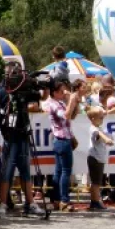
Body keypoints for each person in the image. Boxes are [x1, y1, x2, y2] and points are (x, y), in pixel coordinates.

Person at [0, 72, 44, 216]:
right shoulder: (2, 93)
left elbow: (38, 99)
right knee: (7, 171)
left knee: (25, 171)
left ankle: (31, 203)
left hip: (23, 134)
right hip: (9, 137)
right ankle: (2, 203)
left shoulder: (26, 92)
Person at [48, 79, 82, 212]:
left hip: (61, 139)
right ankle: (64, 200)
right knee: (66, 171)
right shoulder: (54, 104)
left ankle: (56, 199)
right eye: (62, 91)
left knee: (58, 171)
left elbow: (73, 115)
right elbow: (66, 115)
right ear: (55, 92)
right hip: (62, 139)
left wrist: (73, 102)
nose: (64, 93)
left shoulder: (60, 102)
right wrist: (72, 100)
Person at [85, 107, 113, 211]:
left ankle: (95, 201)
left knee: (97, 181)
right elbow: (98, 134)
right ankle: (95, 202)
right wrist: (106, 139)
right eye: (100, 118)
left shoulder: (97, 126)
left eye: (102, 117)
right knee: (96, 182)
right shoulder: (94, 128)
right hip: (95, 157)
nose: (102, 119)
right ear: (93, 118)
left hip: (98, 157)